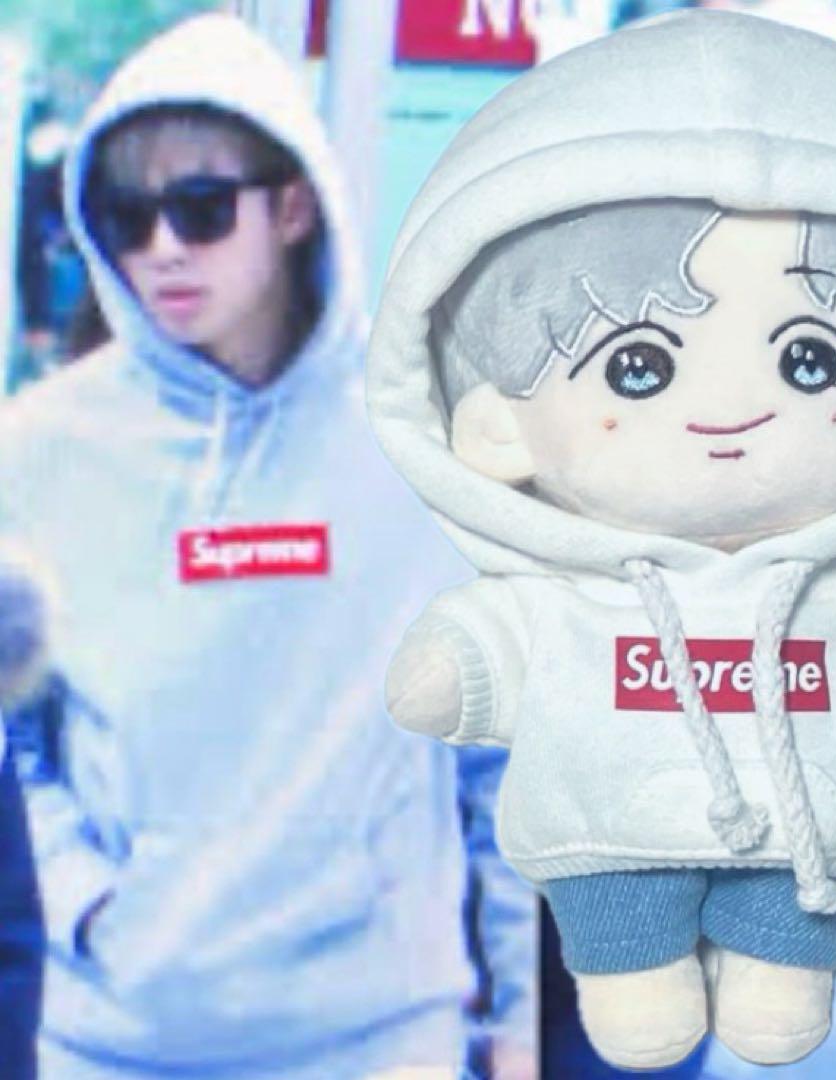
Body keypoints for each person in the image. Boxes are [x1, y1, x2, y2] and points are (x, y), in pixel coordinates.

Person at [360, 8, 836, 1076]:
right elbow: (488, 677)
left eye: (804, 351)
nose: (727, 404)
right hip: (626, 964)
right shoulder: (530, 514)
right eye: (647, 360)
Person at [0, 14, 535, 1080]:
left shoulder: (429, 442)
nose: (162, 248)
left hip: (380, 1040)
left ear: (292, 206)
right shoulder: (38, 451)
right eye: (127, 217)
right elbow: (17, 737)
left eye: (201, 208)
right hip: (113, 1043)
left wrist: (518, 1026)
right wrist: (89, 902)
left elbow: (503, 761)